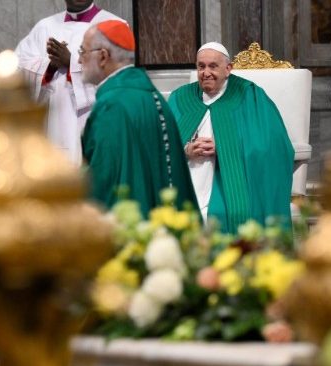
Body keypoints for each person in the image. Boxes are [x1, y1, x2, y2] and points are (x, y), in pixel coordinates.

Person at [168, 42, 295, 233]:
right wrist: (185, 150)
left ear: (228, 69)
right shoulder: (180, 97)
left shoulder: (250, 96)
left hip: (232, 181)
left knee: (223, 214)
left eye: (213, 66)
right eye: (201, 66)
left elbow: (274, 146)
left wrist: (225, 149)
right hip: (188, 177)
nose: (206, 72)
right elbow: (160, 145)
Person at [79, 20, 197, 214]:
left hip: (128, 226)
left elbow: (103, 177)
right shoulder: (151, 95)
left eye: (82, 52)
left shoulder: (112, 105)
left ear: (102, 56)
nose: (79, 60)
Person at [15, 1, 124, 165]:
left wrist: (71, 61)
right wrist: (49, 66)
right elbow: (18, 70)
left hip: (95, 126)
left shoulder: (114, 26)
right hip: (53, 127)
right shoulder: (44, 27)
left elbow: (118, 78)